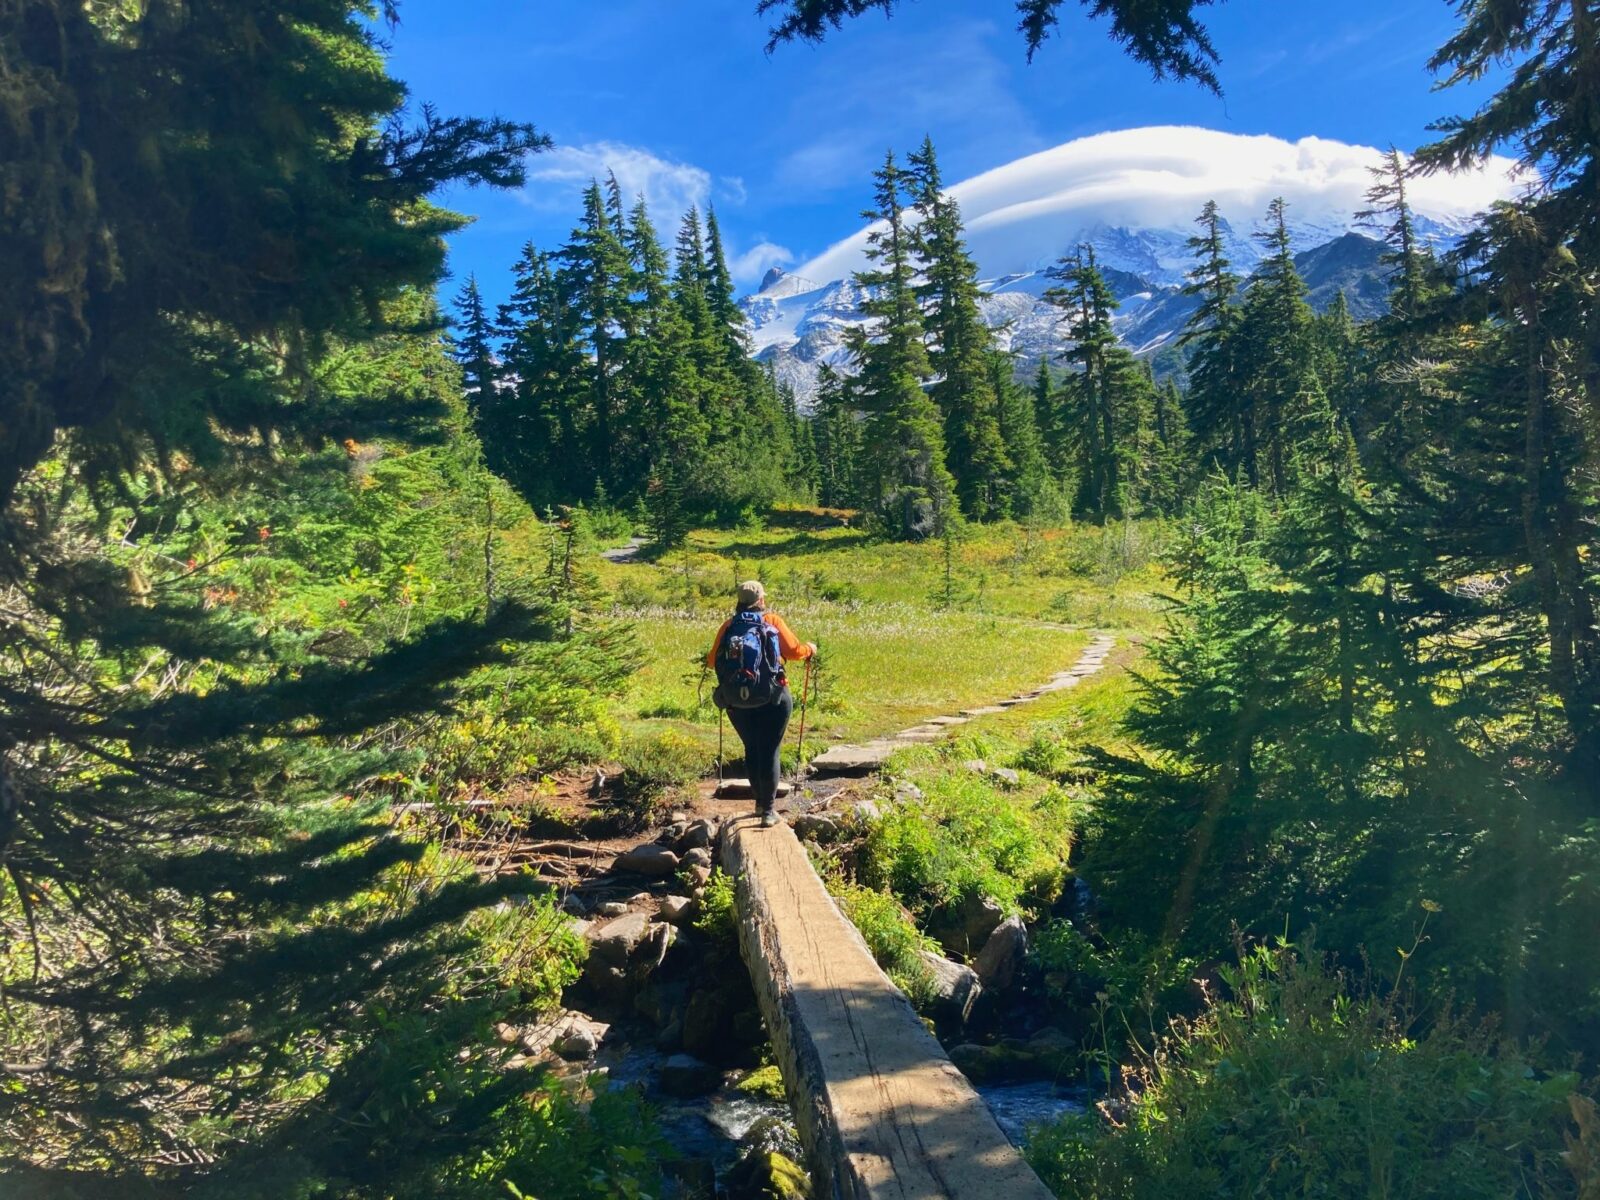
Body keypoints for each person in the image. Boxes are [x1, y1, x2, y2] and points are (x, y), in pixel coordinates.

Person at [707, 580, 815, 827]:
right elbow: (794, 651)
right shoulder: (772, 621)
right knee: (770, 750)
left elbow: (712, 661)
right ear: (762, 600)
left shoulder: (728, 626)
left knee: (752, 749)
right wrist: (810, 649)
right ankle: (767, 812)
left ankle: (758, 805)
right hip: (773, 698)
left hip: (736, 701)